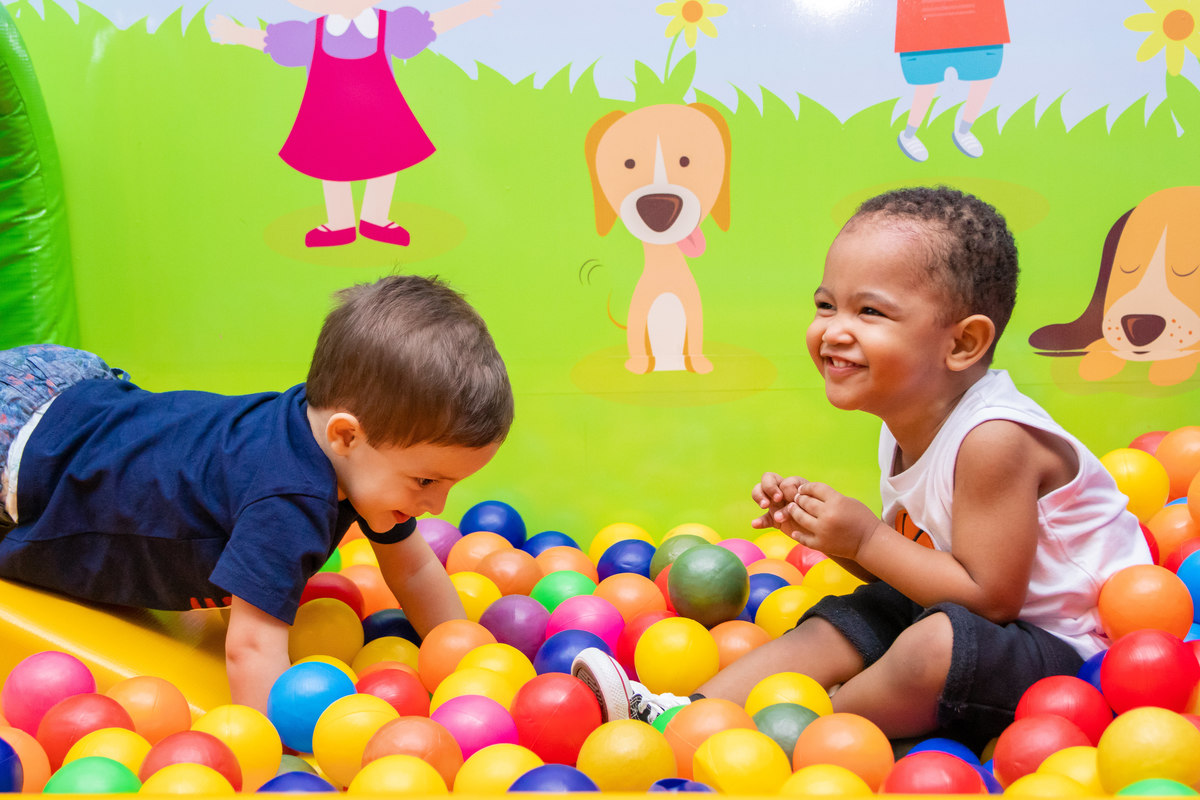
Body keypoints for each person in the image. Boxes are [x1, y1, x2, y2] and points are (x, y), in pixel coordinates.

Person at [573, 186, 1152, 749]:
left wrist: (867, 536)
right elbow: (918, 573)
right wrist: (832, 537)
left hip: (1076, 660)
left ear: (963, 344)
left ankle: (800, 733)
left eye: (869, 310)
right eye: (826, 305)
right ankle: (685, 716)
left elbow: (989, 598)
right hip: (984, 625)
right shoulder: (903, 422)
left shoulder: (993, 440)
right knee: (853, 618)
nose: (833, 329)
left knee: (938, 644)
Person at [0, 275, 513, 714]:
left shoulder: (345, 449)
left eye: (449, 485)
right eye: (426, 481)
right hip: (29, 451)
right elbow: (250, 646)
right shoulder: (289, 503)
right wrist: (280, 765)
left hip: (67, 384)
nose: (437, 505)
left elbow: (414, 567)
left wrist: (466, 663)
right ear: (345, 435)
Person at [210, 0, 500, 248]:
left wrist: (471, 10)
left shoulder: (389, 26)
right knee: (330, 165)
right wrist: (235, 33)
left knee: (387, 162)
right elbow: (272, 42)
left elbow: (430, 26)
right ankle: (340, 223)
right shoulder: (312, 33)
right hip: (327, 118)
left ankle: (375, 218)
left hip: (382, 116)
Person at [894, 0, 1009, 162]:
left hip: (980, 15)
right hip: (926, 15)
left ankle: (964, 130)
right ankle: (909, 134)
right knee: (926, 79)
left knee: (982, 73)